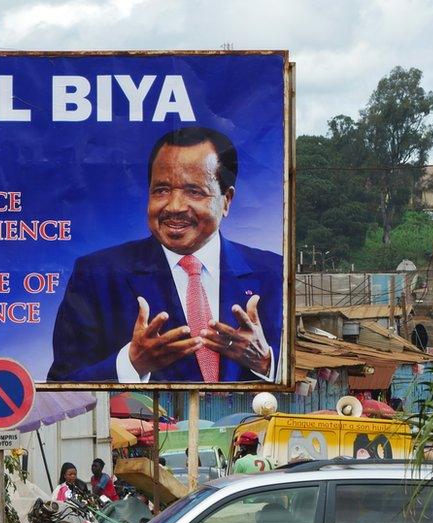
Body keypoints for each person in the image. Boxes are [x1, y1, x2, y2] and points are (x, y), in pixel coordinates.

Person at [48, 126, 283, 383]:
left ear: (226, 200)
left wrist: (266, 362)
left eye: (194, 192)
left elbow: (310, 373)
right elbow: (62, 383)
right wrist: (132, 364)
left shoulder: (274, 274)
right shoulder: (97, 276)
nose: (174, 206)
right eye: (161, 190)